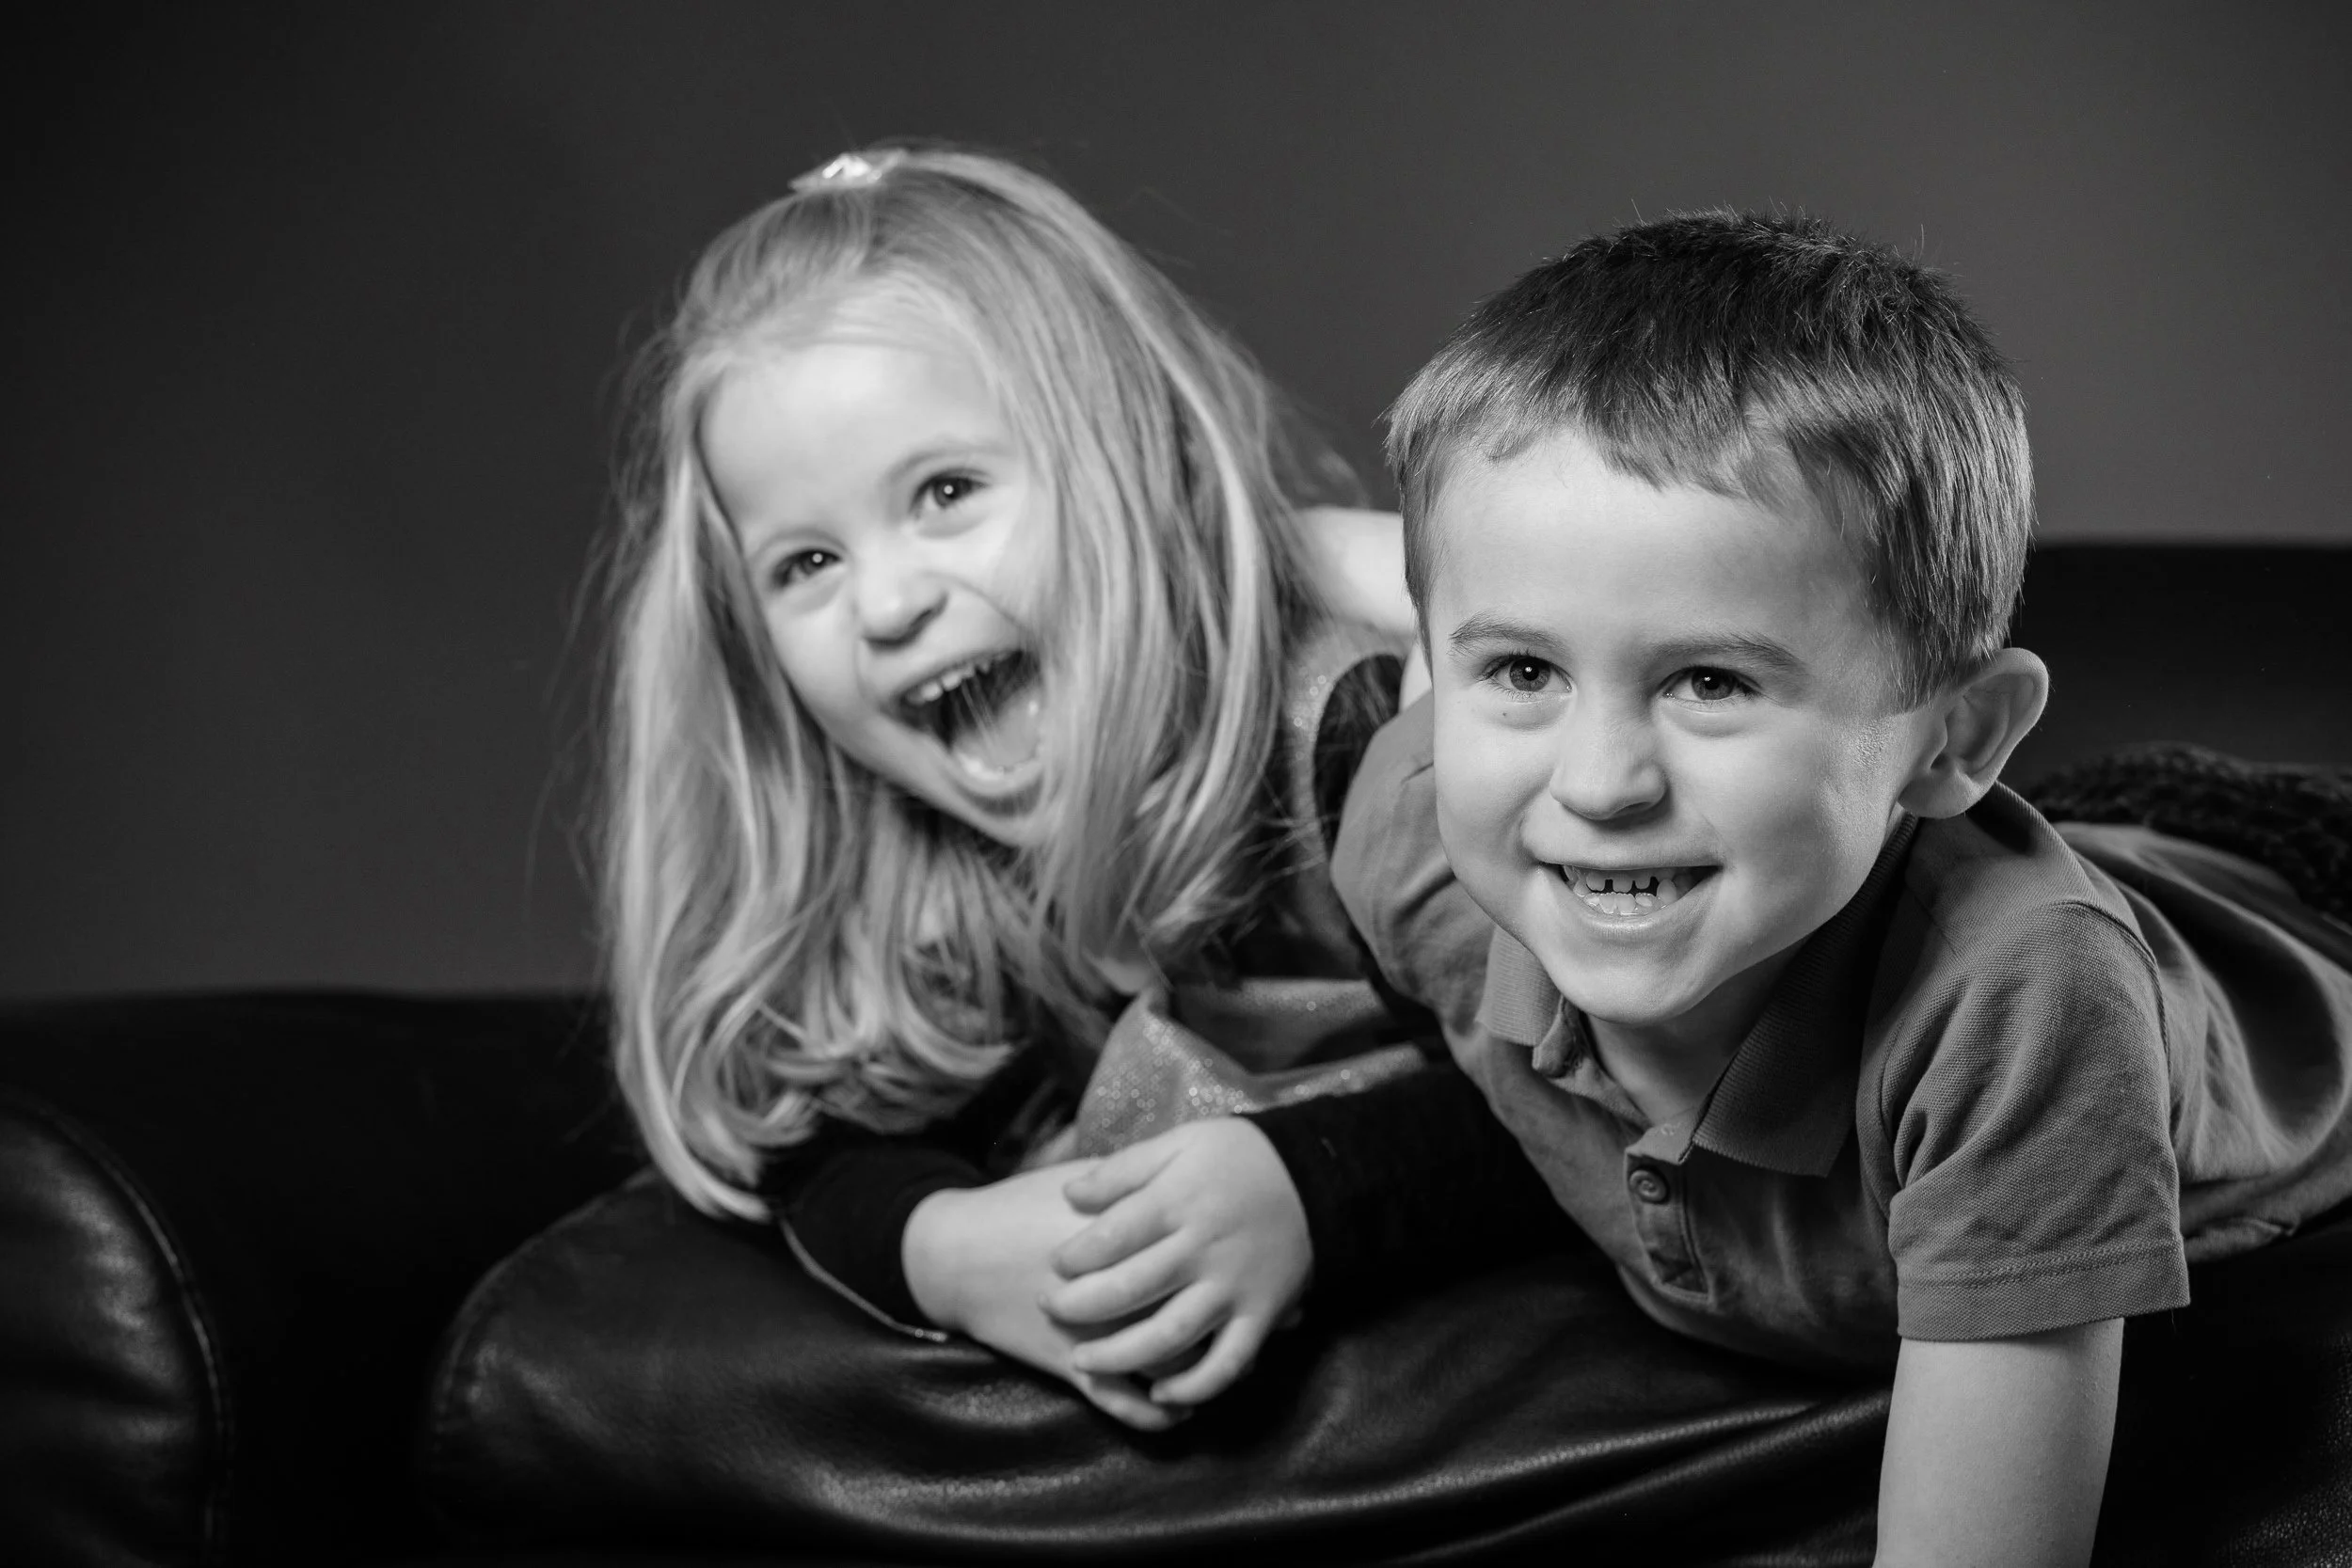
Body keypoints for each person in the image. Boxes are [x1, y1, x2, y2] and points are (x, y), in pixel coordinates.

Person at [1052, 211, 2352, 1562]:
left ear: (1954, 738)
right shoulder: (1413, 826)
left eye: (1711, 681)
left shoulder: (2020, 1005)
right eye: (1524, 671)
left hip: (2291, 894)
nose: (1598, 782)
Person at [600, 143, 1555, 1432]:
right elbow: (813, 1145)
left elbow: (1599, 1095)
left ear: (1130, 462)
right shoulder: (921, 855)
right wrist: (942, 1247)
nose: (886, 603)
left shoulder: (1348, 740)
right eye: (806, 562)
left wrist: (1315, 1189)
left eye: (946, 492)